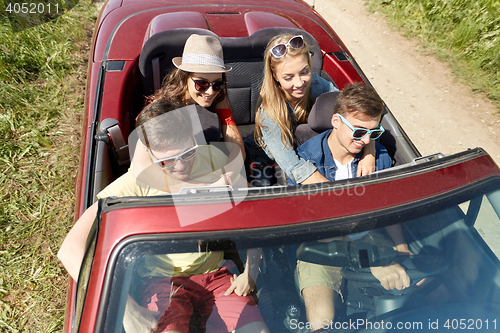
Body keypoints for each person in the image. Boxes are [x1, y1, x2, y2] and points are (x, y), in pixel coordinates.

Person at [58, 100, 269, 333]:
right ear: (148, 152)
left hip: (217, 275)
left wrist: (251, 270)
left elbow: (254, 213)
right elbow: (70, 250)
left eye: (188, 153)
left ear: (193, 136)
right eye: (165, 161)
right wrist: (128, 309)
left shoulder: (212, 159)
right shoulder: (137, 183)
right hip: (163, 282)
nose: (180, 166)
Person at [293, 83, 414, 331]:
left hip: (369, 236)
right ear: (336, 121)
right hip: (320, 249)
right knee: (321, 322)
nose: (366, 140)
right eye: (359, 132)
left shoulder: (378, 155)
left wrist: (402, 248)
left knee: (429, 292)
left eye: (374, 132)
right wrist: (371, 262)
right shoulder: (306, 161)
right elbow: (312, 230)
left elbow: (387, 207)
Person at [253, 34, 376, 185]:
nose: (299, 83)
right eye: (288, 77)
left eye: (304, 72)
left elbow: (354, 113)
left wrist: (369, 152)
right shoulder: (269, 114)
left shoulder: (316, 84)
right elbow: (293, 167)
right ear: (275, 77)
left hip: (308, 150)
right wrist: (335, 193)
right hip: (269, 161)